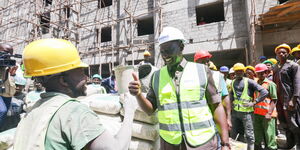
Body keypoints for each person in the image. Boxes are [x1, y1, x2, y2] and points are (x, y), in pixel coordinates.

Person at [14, 39, 137, 150]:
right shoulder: (73, 111)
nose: (86, 77)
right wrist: (130, 110)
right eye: (81, 72)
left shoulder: (31, 112)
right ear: (63, 80)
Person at [129, 27, 230, 150]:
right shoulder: (157, 76)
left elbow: (216, 106)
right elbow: (150, 110)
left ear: (181, 47)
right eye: (162, 51)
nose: (165, 54)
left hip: (203, 143)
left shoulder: (201, 71)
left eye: (169, 49)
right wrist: (138, 94)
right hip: (170, 143)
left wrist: (225, 142)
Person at [230, 63, 268, 150]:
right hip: (235, 113)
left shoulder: (249, 82)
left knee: (249, 135)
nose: (239, 72)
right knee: (234, 134)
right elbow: (231, 96)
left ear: (243, 72)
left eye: (241, 71)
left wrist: (254, 102)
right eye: (237, 71)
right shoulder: (233, 82)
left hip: (247, 113)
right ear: (234, 72)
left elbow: (264, 92)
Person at [194, 50, 232, 130]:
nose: (206, 63)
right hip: (200, 119)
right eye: (202, 61)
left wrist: (228, 118)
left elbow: (225, 97)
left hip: (217, 116)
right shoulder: (192, 77)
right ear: (196, 63)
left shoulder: (218, 76)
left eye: (207, 61)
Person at [273, 43, 300, 149]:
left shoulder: (293, 66)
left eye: (284, 52)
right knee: (284, 122)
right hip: (279, 100)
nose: (281, 54)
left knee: (294, 122)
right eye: (279, 52)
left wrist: (294, 99)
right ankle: (290, 142)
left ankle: (298, 143)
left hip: (289, 99)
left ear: (288, 54)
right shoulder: (276, 67)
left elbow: (297, 83)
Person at [253, 64, 277, 150]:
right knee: (258, 134)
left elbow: (274, 99)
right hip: (257, 113)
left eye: (262, 73)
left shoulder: (270, 84)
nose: (260, 75)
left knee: (269, 134)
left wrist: (269, 113)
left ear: (266, 73)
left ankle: (272, 148)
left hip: (268, 114)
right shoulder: (255, 83)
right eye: (258, 73)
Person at [0, 43, 17, 128]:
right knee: (2, 111)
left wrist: (12, 74)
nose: (9, 55)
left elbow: (10, 80)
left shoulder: (9, 63)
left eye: (11, 53)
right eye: (6, 52)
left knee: (4, 113)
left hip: (7, 93)